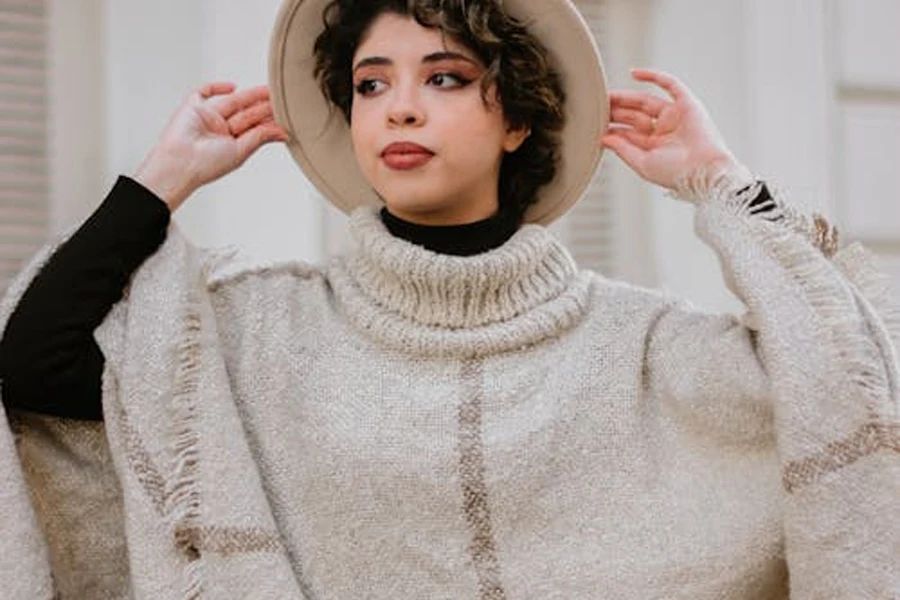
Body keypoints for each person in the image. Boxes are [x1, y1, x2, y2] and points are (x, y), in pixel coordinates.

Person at [0, 0, 896, 598]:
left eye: (444, 77)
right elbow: (34, 366)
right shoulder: (258, 336)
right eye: (370, 84)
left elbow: (854, 397)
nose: (398, 109)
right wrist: (161, 182)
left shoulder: (646, 350)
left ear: (516, 119)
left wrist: (725, 187)